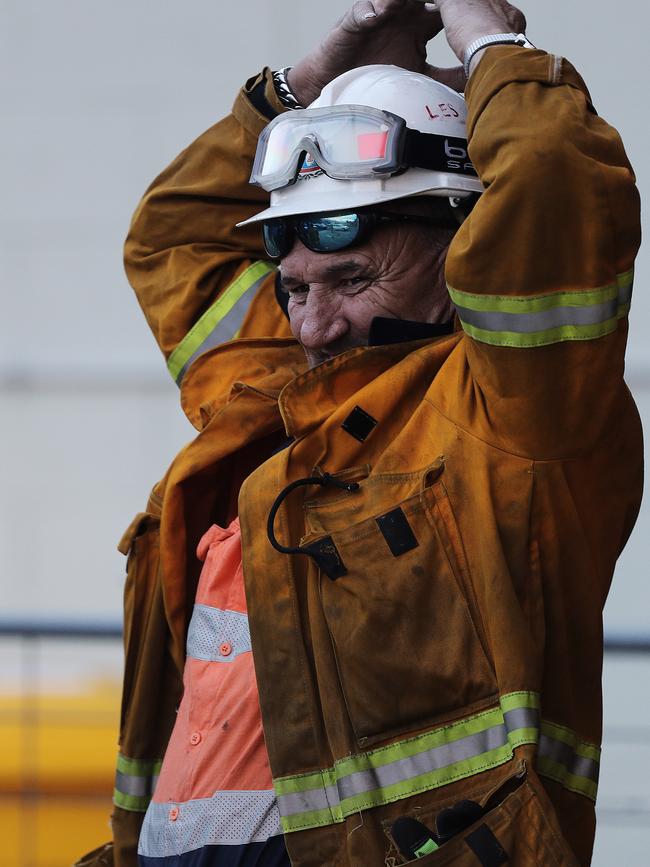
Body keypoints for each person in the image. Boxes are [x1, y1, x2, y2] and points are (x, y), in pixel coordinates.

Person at [76, 0, 643, 865]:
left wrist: (485, 39)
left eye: (351, 278)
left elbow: (549, 181)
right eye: (295, 287)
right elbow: (170, 238)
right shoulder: (277, 398)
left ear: (460, 249)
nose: (314, 324)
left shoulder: (516, 423)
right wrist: (305, 83)